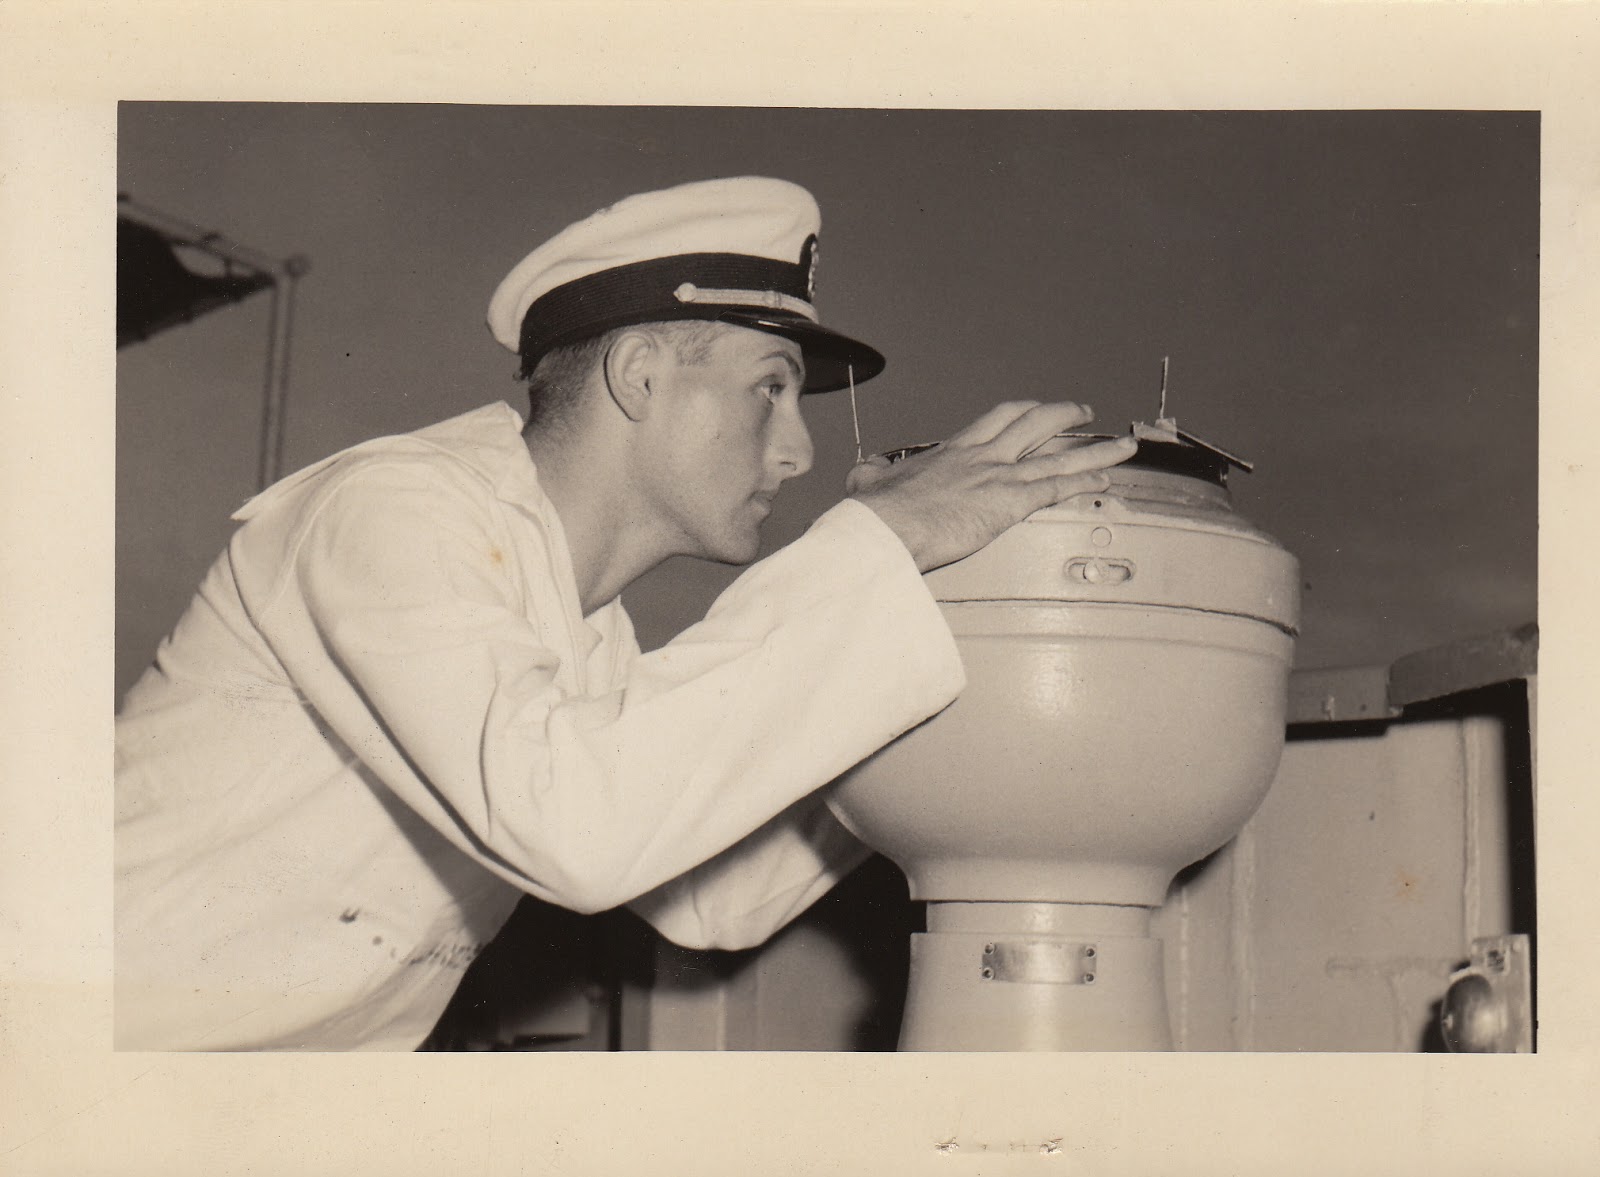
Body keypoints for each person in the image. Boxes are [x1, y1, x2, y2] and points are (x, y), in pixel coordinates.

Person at [114, 176, 1137, 1050]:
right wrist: (879, 547)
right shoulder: (392, 510)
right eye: (771, 389)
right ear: (640, 374)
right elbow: (579, 827)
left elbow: (715, 900)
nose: (798, 452)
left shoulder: (576, 622)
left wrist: (936, 602)